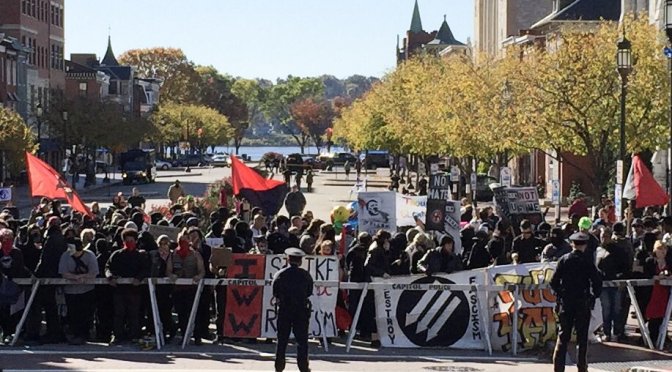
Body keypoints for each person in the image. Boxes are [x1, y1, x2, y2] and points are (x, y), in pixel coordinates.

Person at [550, 232, 602, 372]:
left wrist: (561, 293)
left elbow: (553, 282)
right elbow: (597, 282)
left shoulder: (564, 260)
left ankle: (558, 368)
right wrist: (593, 296)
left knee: (563, 337)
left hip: (566, 302)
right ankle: (581, 367)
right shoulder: (587, 261)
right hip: (582, 303)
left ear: (572, 244)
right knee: (582, 338)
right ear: (584, 245)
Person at [273, 248, 314, 372]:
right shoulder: (305, 274)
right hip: (301, 309)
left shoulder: (280, 274)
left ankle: (279, 366)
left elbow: (275, 292)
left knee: (282, 340)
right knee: (302, 340)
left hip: (285, 308)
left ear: (288, 259)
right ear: (300, 261)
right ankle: (303, 367)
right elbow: (309, 292)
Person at [105, 228, 149, 345]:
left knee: (134, 314)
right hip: (119, 290)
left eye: (132, 240)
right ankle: (117, 335)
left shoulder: (140, 256)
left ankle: (134, 335)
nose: (129, 242)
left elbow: (145, 270)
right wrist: (110, 277)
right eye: (127, 240)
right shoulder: (117, 255)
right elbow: (108, 267)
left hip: (135, 290)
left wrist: (138, 279)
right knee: (119, 314)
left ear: (136, 241)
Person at [58, 238, 99, 345]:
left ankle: (84, 334)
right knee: (72, 313)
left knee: (86, 313)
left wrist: (82, 276)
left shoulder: (90, 255)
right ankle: (74, 334)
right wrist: (75, 278)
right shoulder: (65, 256)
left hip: (87, 290)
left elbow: (94, 272)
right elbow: (63, 273)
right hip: (70, 291)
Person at [167, 234, 205, 345]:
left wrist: (198, 276)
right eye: (180, 240)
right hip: (178, 289)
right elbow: (168, 270)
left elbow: (202, 270)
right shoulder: (173, 254)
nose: (182, 242)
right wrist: (171, 275)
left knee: (194, 314)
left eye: (184, 240)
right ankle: (184, 336)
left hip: (192, 289)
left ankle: (197, 337)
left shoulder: (195, 254)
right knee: (181, 313)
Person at [595, 227, 627, 342]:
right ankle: (606, 332)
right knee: (606, 309)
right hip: (603, 285)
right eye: (603, 235)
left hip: (616, 284)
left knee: (617, 309)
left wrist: (622, 279)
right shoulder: (597, 250)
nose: (605, 238)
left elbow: (625, 266)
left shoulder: (619, 250)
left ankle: (618, 332)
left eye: (607, 235)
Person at [644, 241, 670, 347]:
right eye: (660, 248)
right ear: (655, 250)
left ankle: (663, 337)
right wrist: (656, 277)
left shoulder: (669, 262)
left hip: (664, 292)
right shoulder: (650, 261)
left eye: (664, 248)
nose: (662, 251)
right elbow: (647, 274)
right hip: (653, 292)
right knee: (653, 315)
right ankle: (651, 338)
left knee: (663, 315)